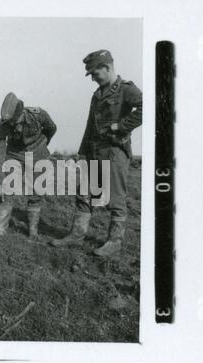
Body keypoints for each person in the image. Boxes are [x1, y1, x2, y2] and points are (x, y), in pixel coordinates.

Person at [50, 49, 142, 257]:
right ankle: (77, 235)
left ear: (107, 67)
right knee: (85, 195)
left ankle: (114, 241)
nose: (92, 78)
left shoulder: (126, 90)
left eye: (94, 73)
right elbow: (90, 127)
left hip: (114, 152)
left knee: (115, 198)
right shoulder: (97, 95)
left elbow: (148, 106)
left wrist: (122, 126)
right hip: (93, 152)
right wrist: (82, 153)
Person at [0, 92, 57, 242]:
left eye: (15, 122)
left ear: (21, 113)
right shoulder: (3, 123)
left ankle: (33, 231)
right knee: (6, 189)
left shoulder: (38, 114)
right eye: (10, 124)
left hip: (37, 152)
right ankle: (0, 228)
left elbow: (51, 128)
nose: (13, 126)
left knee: (36, 191)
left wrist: (42, 145)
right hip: (15, 154)